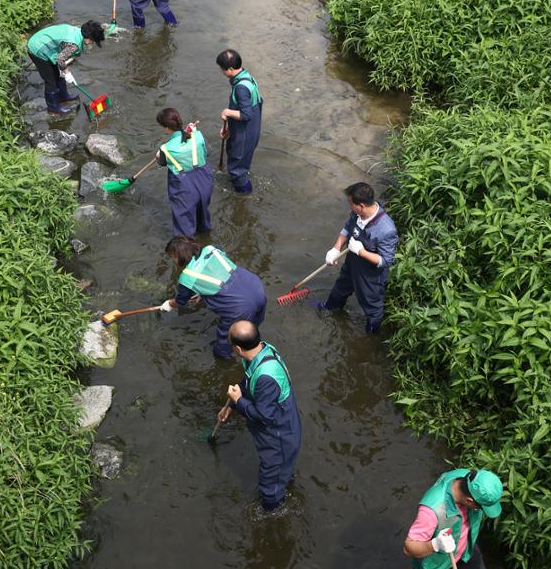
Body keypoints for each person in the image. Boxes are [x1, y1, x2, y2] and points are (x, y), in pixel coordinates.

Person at [217, 321, 301, 512]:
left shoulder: (266, 377)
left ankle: (273, 513)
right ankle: (285, 480)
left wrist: (239, 401)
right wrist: (231, 405)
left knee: (269, 485)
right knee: (282, 473)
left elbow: (265, 417)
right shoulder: (262, 350)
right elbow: (247, 380)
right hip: (281, 427)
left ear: (237, 348)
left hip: (279, 437)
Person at [393, 468, 504, 569]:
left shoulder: (467, 478)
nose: (481, 511)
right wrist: (435, 545)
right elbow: (408, 548)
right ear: (469, 501)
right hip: (437, 561)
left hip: (466, 549)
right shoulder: (431, 511)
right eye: (481, 508)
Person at [161, 236, 267, 359]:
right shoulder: (211, 249)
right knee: (252, 330)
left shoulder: (187, 277)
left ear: (177, 256)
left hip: (238, 307)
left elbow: (180, 301)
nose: (173, 260)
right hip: (255, 287)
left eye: (172, 257)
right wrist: (201, 292)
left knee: (225, 342)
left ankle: (224, 362)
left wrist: (168, 304)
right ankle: (256, 347)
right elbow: (219, 272)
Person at [318, 181, 398, 333]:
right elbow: (347, 229)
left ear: (361, 205)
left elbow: (386, 261)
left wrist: (361, 252)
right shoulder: (357, 214)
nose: (349, 206)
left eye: (350, 203)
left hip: (370, 276)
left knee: (372, 307)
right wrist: (336, 248)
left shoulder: (386, 230)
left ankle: (372, 335)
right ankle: (329, 310)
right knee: (339, 290)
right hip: (351, 264)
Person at [27, 20, 104, 116]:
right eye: (93, 41)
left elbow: (63, 55)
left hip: (44, 42)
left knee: (58, 74)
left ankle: (63, 96)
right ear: (89, 39)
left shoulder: (78, 32)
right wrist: (67, 73)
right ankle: (53, 109)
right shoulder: (73, 44)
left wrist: (63, 70)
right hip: (37, 48)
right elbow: (60, 59)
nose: (92, 44)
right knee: (50, 80)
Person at [156, 109, 214, 236]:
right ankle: (206, 238)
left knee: (184, 230)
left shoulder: (165, 148)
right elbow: (208, 152)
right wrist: (193, 132)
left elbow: (161, 162)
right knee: (203, 217)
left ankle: (187, 252)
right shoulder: (197, 135)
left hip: (184, 189)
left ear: (166, 128)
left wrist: (158, 155)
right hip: (205, 181)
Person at [216, 49, 263, 194]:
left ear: (231, 69)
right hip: (249, 131)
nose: (222, 72)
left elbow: (246, 114)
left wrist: (227, 112)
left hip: (244, 136)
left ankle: (244, 197)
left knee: (237, 170)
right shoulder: (248, 78)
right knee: (240, 164)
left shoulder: (241, 88)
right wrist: (230, 127)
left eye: (222, 69)